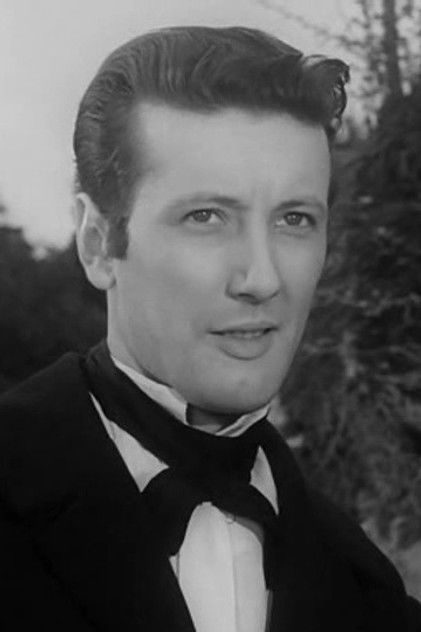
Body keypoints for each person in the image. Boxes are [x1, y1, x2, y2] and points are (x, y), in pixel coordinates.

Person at [0, 25, 420, 632]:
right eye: (206, 216)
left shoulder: (369, 590)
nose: (262, 278)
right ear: (97, 242)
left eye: (295, 219)